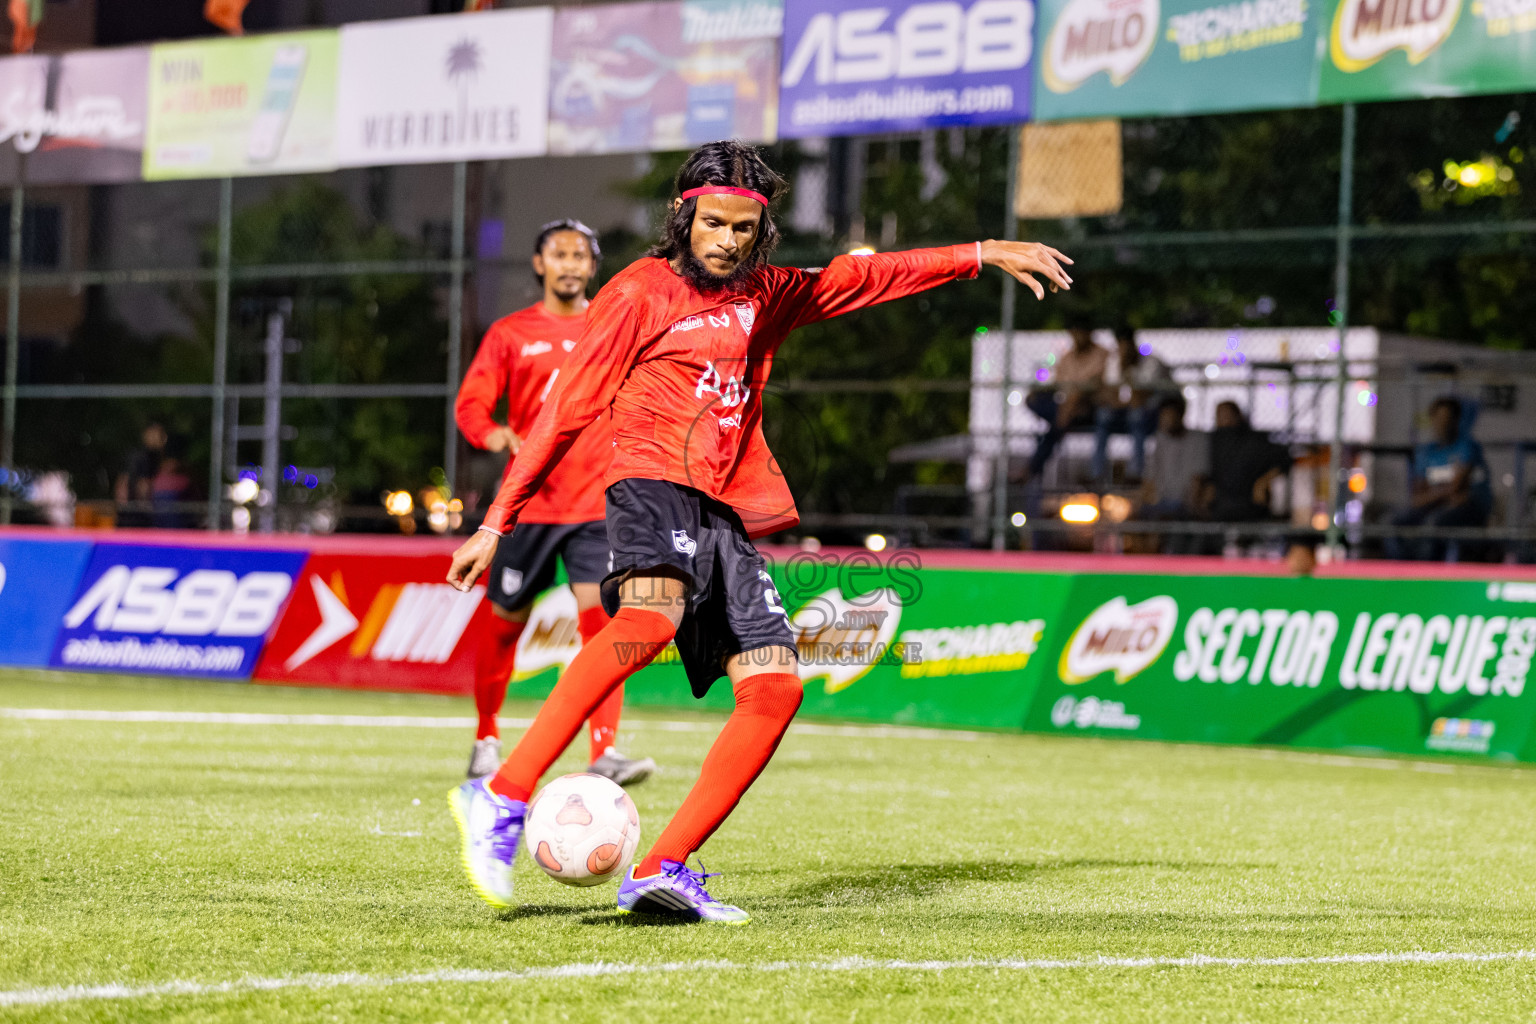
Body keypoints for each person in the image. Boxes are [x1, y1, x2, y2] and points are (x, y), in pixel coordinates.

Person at [444, 140, 1072, 923]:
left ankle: (662, 865)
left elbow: (863, 275)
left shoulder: (765, 292)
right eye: (713, 223)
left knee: (774, 687)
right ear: (683, 216)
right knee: (646, 621)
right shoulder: (640, 291)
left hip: (719, 510)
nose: (727, 240)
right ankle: (500, 795)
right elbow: (565, 413)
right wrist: (496, 521)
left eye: (743, 228)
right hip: (646, 478)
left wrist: (975, 254)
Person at [454, 218, 656, 787]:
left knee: (606, 626)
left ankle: (605, 751)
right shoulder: (510, 333)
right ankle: (487, 738)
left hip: (599, 506)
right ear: (540, 264)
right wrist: (493, 435)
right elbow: (471, 405)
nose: (569, 264)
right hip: (529, 507)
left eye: (580, 255)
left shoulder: (613, 326)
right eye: (558, 254)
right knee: (503, 627)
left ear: (593, 267)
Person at [1387, 396, 1492, 561]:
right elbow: (1418, 495)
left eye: (1447, 419)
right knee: (1393, 522)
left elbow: (1457, 488)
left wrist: (1435, 491)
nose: (1442, 424)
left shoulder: (1467, 447)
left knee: (1433, 523)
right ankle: (1399, 573)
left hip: (1469, 508)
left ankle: (1428, 576)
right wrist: (1444, 492)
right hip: (1435, 504)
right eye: (1438, 418)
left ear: (1456, 420)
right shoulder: (1427, 452)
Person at [1024, 318, 1106, 480]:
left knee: (1054, 428)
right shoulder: (1068, 357)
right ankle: (1061, 419)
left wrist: (1074, 401)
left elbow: (1095, 384)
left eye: (1081, 332)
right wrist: (1038, 390)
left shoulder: (1102, 354)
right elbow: (1057, 383)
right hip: (1067, 409)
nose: (1077, 337)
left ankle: (1032, 469)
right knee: (1034, 400)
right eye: (1074, 332)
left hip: (1091, 407)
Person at [1092, 327, 1172, 484]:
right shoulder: (1114, 362)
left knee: (1137, 417)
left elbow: (1140, 398)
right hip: (1124, 411)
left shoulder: (1150, 362)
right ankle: (1097, 473)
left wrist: (1127, 372)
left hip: (1150, 414)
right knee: (1102, 417)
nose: (1123, 350)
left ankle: (1135, 472)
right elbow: (1110, 395)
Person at [1135, 396, 1208, 553]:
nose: (1166, 420)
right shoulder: (1159, 439)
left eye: (1170, 416)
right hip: (1162, 501)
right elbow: (1149, 478)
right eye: (1164, 416)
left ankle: (1171, 559)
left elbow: (1197, 479)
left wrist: (1193, 505)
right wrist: (1141, 501)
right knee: (1141, 513)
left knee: (1177, 516)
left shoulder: (1197, 439)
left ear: (1180, 415)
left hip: (1185, 503)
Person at [1203, 400, 1290, 524]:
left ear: (1238, 416)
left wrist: (1263, 482)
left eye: (1227, 414)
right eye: (1219, 415)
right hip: (1221, 505)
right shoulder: (1214, 441)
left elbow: (1284, 459)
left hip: (1252, 505)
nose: (1224, 419)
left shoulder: (1254, 441)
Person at [114, 421, 166, 527]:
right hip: (137, 519)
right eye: (159, 434)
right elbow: (141, 486)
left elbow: (122, 486)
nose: (162, 439)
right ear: (146, 434)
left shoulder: (137, 456)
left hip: (129, 517)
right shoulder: (146, 458)